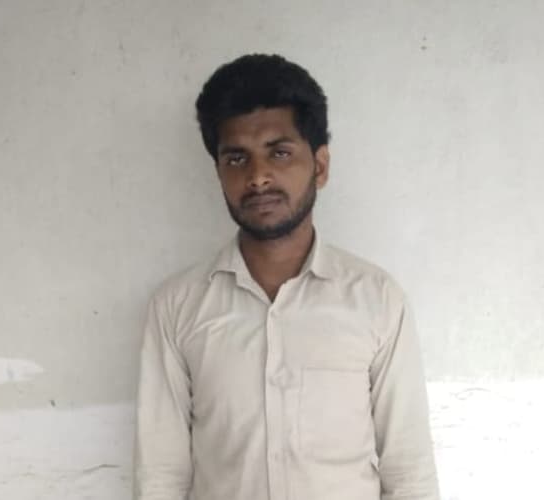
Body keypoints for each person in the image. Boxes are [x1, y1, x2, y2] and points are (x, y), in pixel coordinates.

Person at [134, 53, 439, 500]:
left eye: (279, 153)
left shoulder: (376, 300)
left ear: (320, 166)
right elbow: (160, 477)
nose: (258, 177)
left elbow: (408, 471)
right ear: (218, 172)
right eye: (236, 158)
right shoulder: (177, 308)